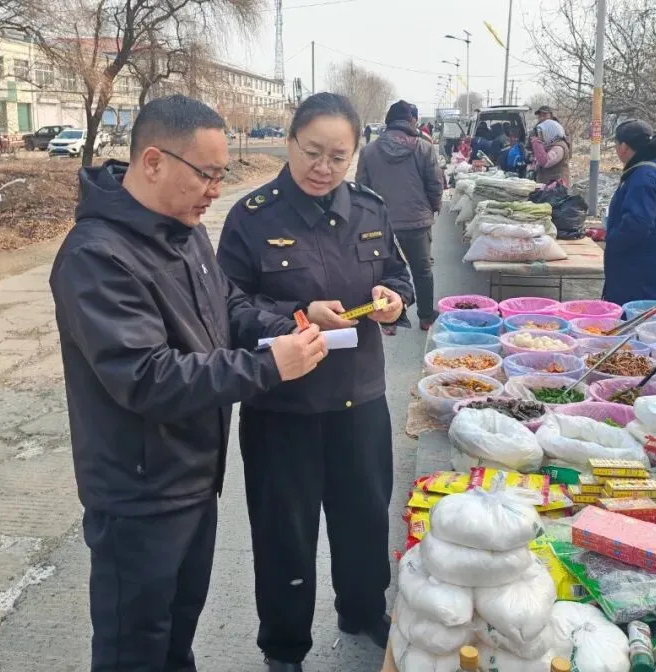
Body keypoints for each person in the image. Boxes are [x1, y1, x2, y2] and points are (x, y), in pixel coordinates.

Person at [50, 94, 328, 672]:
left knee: (177, 636)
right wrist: (268, 366)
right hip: (139, 494)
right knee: (135, 648)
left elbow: (227, 307)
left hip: (194, 477)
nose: (214, 191)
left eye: (221, 176)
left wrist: (287, 328)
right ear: (153, 162)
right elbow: (147, 377)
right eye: (206, 174)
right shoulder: (97, 256)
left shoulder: (187, 232)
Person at [217, 92, 415, 672]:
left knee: (364, 518)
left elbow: (399, 272)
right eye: (312, 152)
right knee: (285, 534)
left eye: (338, 156)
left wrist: (394, 298)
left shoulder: (371, 210)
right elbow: (227, 306)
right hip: (283, 408)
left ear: (355, 155)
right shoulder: (252, 217)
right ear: (289, 142)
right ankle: (284, 647)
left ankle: (362, 609)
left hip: (361, 400)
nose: (323, 168)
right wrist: (298, 315)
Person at [356, 98, 442, 332]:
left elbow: (361, 188)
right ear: (411, 121)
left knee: (384, 272)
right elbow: (435, 184)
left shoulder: (369, 151)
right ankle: (426, 317)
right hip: (416, 221)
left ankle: (388, 322)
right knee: (422, 271)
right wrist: (434, 207)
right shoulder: (424, 147)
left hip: (379, 223)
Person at [603, 119, 656, 305]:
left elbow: (637, 224)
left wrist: (613, 241)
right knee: (647, 308)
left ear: (624, 147)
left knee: (631, 313)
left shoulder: (644, 175)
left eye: (616, 144)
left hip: (638, 264)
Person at [530, 119, 572, 187]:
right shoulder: (549, 145)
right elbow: (539, 160)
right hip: (548, 186)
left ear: (550, 132)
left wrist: (536, 142)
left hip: (558, 187)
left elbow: (545, 162)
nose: (540, 137)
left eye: (542, 134)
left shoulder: (559, 147)